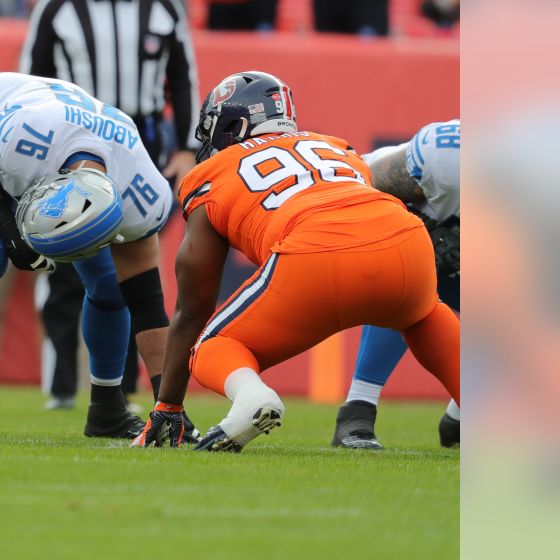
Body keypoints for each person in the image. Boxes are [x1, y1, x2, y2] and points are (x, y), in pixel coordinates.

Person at [133, 71, 460, 451]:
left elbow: (193, 307)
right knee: (422, 316)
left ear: (231, 126)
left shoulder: (210, 174)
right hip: (406, 239)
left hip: (313, 250)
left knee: (211, 344)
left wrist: (168, 404)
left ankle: (251, 398)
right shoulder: (335, 146)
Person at [0, 71, 173, 438]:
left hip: (54, 147)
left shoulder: (142, 194)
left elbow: (148, 303)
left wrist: (170, 407)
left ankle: (108, 410)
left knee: (110, 283)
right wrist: (8, 228)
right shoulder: (21, 137)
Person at [21, 0, 199, 414]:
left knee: (134, 270)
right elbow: (32, 79)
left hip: (141, 145)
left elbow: (184, 78)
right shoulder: (58, 6)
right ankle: (60, 383)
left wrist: (186, 145)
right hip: (72, 146)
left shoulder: (162, 4)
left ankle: (121, 388)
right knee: (61, 264)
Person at [334, 119, 460, 450]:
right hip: (418, 236)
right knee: (405, 271)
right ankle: (358, 409)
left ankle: (459, 419)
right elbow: (359, 183)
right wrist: (414, 225)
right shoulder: (447, 157)